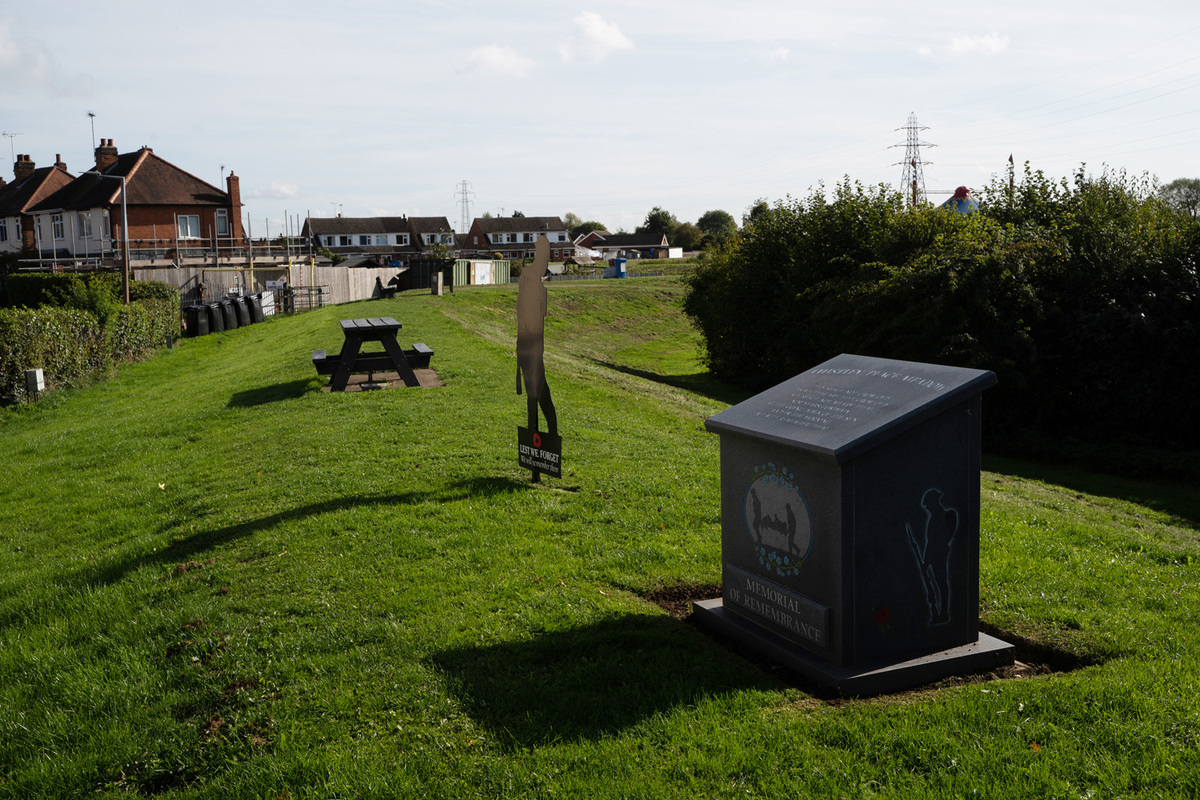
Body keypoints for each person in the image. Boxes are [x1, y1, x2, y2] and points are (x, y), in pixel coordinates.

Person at [516, 236, 557, 437]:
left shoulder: (534, 287)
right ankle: (537, 431)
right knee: (535, 393)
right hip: (528, 347)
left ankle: (543, 431)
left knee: (537, 392)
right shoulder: (531, 284)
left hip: (530, 347)